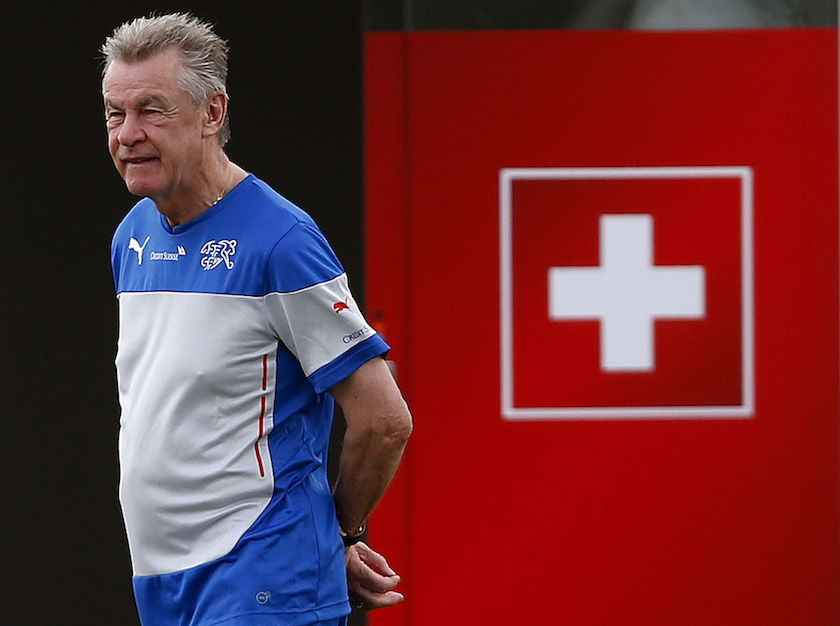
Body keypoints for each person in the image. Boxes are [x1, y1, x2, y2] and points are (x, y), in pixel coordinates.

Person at [101, 13, 412, 626]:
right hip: (161, 577)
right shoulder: (131, 233)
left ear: (212, 114)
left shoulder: (281, 241)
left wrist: (334, 538)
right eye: (115, 113)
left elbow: (383, 421)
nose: (128, 134)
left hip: (262, 574)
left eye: (152, 111)